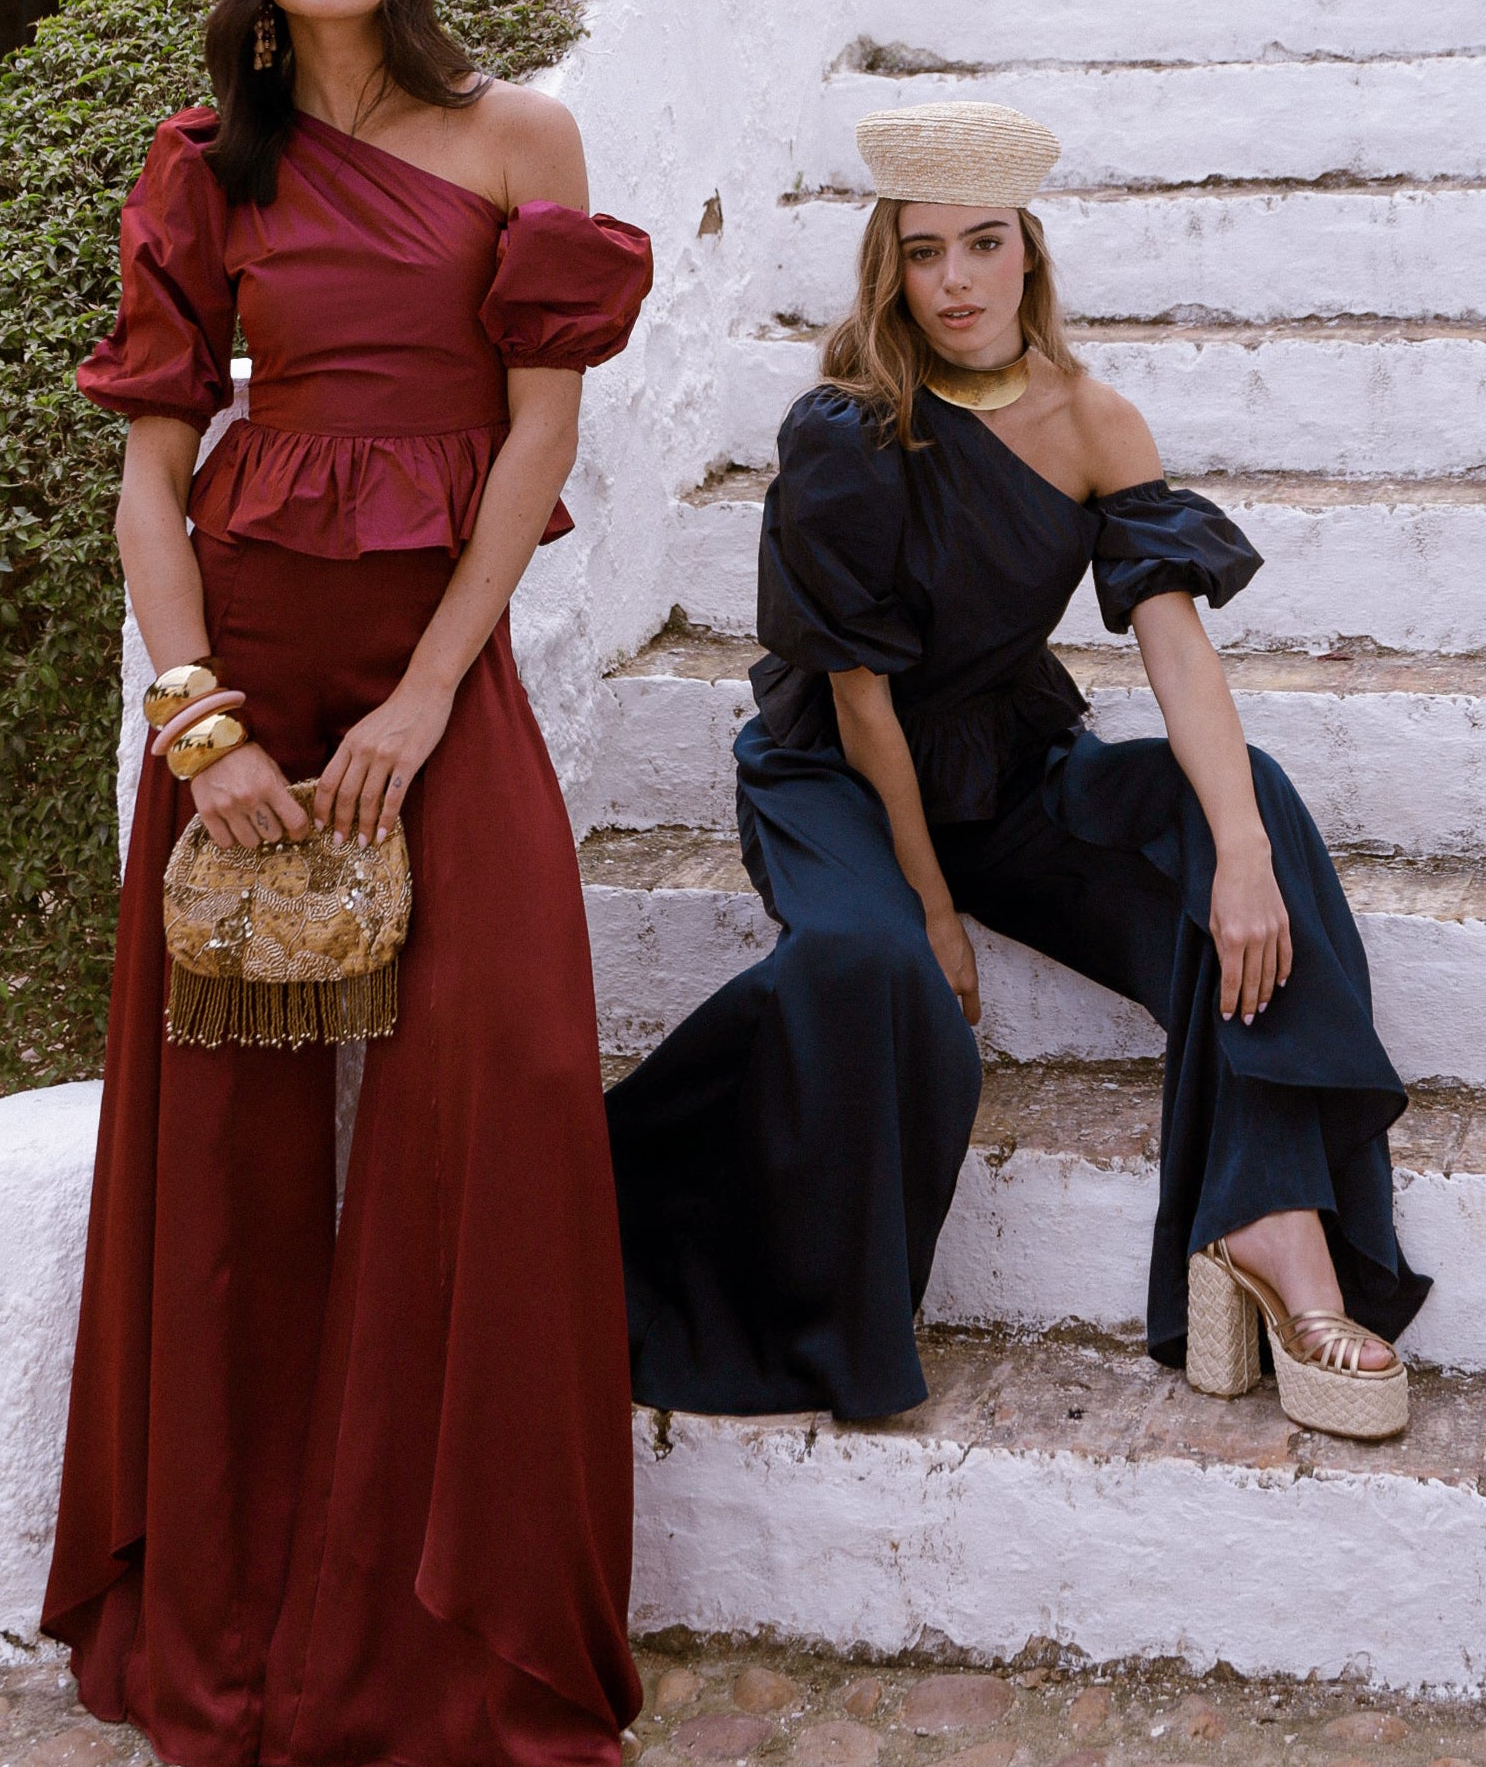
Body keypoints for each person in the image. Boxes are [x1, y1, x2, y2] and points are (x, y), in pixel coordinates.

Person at [43, 0, 652, 1767]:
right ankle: (219, 1646)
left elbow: (533, 441)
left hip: (430, 681)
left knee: (504, 1093)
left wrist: (424, 694)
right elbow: (152, 476)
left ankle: (471, 1671)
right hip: (243, 678)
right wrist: (197, 726)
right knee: (221, 1162)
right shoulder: (206, 164)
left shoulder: (520, 140)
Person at [607, 100, 1428, 1443]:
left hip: (1007, 761)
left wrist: (1239, 855)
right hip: (838, 776)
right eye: (924, 251)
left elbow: (1177, 648)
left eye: (984, 244)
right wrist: (933, 911)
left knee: (1252, 803)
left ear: (1029, 252)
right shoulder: (846, 429)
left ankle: (1274, 1222)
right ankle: (666, 1240)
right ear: (890, 266)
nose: (957, 282)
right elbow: (860, 700)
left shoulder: (1096, 421)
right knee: (868, 965)